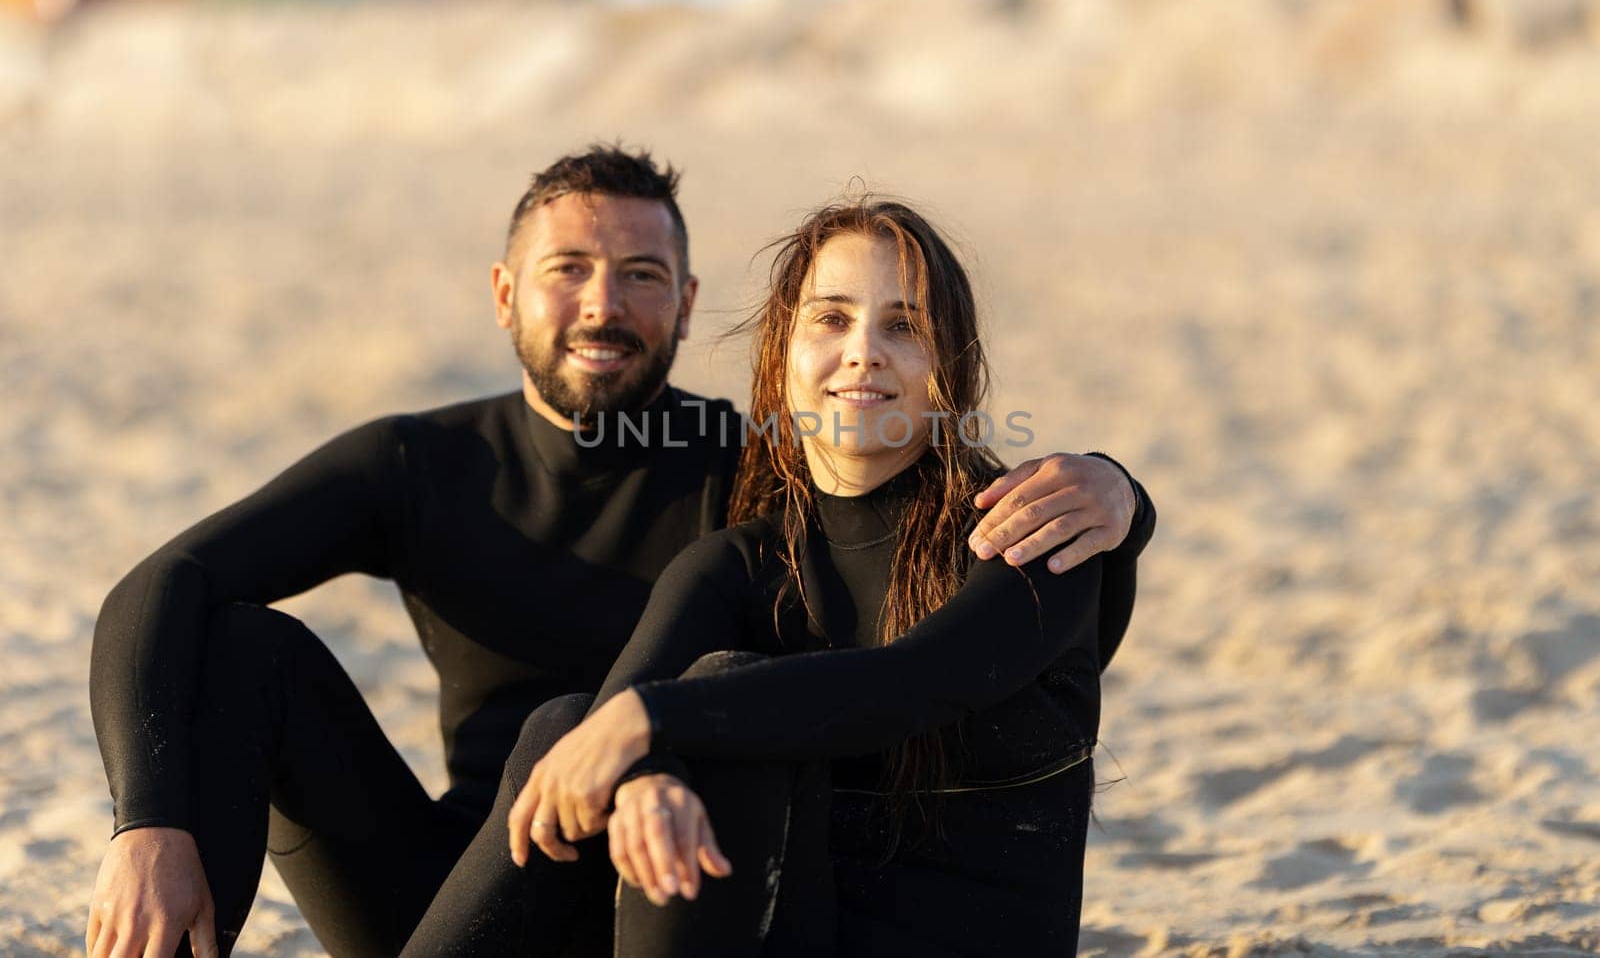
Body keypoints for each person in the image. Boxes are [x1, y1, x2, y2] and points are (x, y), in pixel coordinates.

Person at [84, 147, 1152, 958]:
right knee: (243, 651)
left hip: (685, 875)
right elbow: (162, 584)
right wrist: (151, 817)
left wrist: (1117, 490)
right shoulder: (425, 463)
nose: (603, 303)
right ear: (505, 292)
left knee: (652, 711)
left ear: (689, 307)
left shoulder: (757, 469)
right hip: (485, 876)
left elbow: (922, 631)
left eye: (641, 273)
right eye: (570, 270)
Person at [402, 197, 1155, 956]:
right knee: (566, 727)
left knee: (707, 703)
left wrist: (651, 722)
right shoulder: (739, 564)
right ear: (781, 354)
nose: (864, 351)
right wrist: (645, 767)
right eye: (831, 319)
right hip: (793, 933)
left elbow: (916, 679)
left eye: (904, 325)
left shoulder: (1033, 530)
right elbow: (602, 732)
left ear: (951, 364)